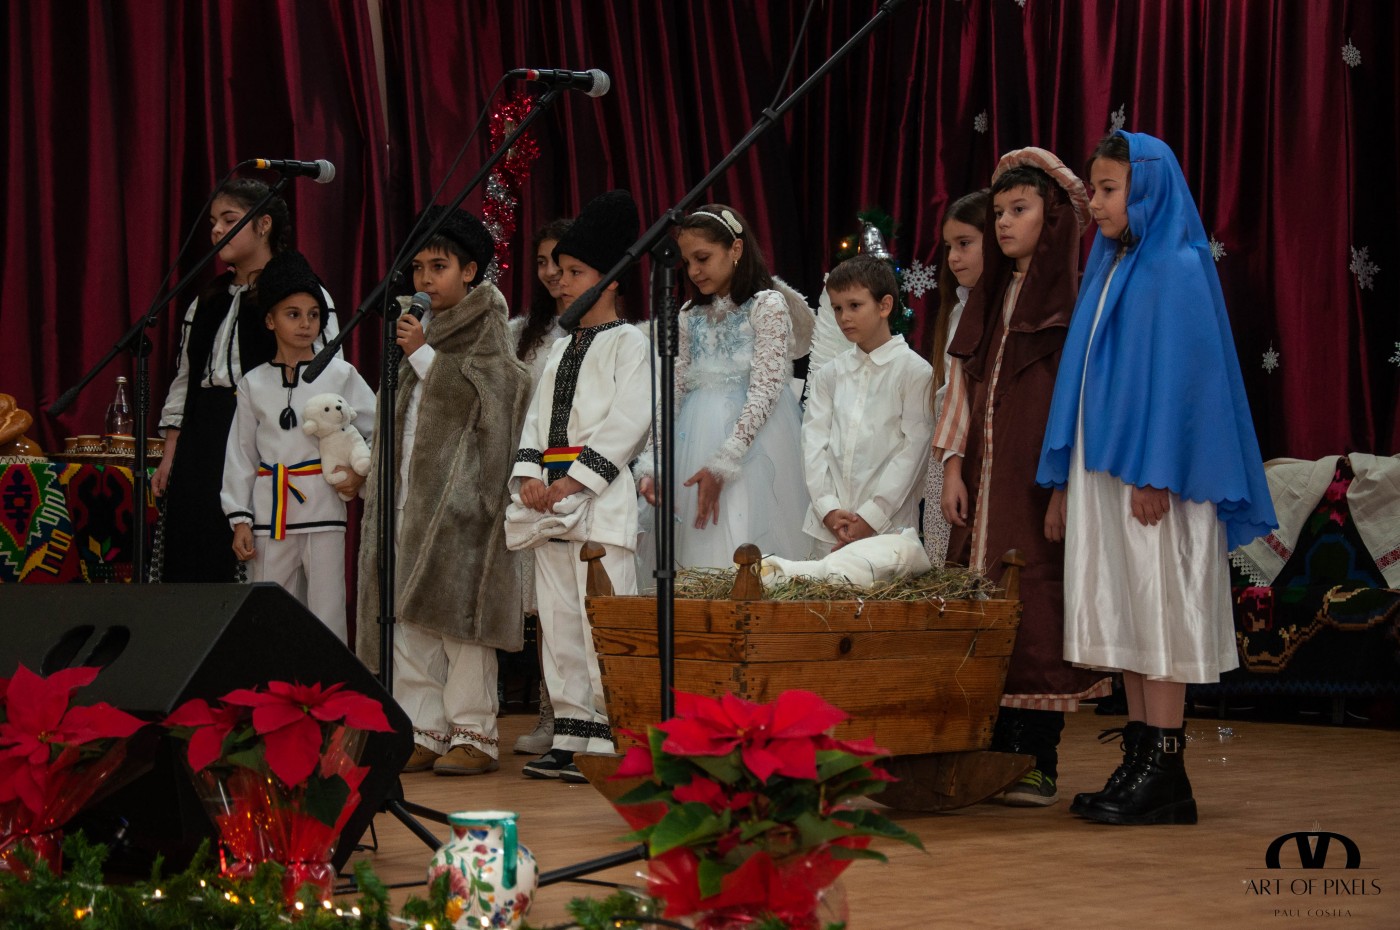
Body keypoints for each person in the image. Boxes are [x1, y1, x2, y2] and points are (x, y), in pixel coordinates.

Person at [1038, 131, 1276, 825]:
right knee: (1130, 610)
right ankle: (1142, 757)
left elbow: (1184, 385)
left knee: (1159, 608)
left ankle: (1167, 767)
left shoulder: (1176, 267)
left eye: (1110, 190)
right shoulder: (1114, 264)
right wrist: (1063, 479)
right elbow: (1084, 377)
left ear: (1147, 189)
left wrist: (1156, 471)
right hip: (1108, 472)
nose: (1097, 203)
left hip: (1154, 478)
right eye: (1095, 189)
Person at [934, 147, 1109, 806]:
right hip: (983, 483)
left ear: (1052, 217)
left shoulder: (1075, 300)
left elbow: (1084, 403)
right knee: (982, 604)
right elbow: (962, 385)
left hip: (1036, 485)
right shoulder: (989, 296)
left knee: (1034, 605)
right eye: (1000, 211)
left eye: (1020, 209)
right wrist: (953, 466)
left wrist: (1064, 485)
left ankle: (1038, 757)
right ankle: (992, 750)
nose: (1004, 223)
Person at [356, 206, 532, 776]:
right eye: (418, 269)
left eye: (439, 267)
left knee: (460, 623)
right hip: (409, 497)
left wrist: (423, 356)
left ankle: (474, 734)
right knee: (409, 619)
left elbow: (500, 395)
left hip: (461, 505)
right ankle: (424, 728)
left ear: (470, 271)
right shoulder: (418, 327)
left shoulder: (486, 325)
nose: (425, 279)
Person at [510, 190, 652, 783]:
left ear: (611, 280)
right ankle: (572, 735)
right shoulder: (562, 346)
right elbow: (535, 419)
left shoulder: (631, 342)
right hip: (551, 505)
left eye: (575, 272)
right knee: (560, 623)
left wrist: (574, 479)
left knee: (604, 621)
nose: (561, 282)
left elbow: (629, 422)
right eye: (558, 271)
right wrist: (528, 477)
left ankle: (611, 734)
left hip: (600, 502)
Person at [155, 178, 339, 582]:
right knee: (195, 552)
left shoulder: (300, 294)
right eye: (213, 223)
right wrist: (171, 454)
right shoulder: (208, 299)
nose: (217, 230)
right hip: (202, 439)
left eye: (229, 219)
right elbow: (186, 379)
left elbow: (328, 378)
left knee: (252, 556)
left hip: (265, 437)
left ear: (263, 224)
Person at [636, 204, 814, 569]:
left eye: (702, 258)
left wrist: (724, 462)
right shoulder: (689, 314)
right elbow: (672, 391)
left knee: (747, 536)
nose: (694, 271)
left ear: (735, 249)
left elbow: (766, 388)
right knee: (699, 550)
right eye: (687, 262)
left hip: (753, 444)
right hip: (692, 443)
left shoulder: (767, 304)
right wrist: (654, 461)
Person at [220, 251, 371, 642]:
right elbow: (241, 454)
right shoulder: (253, 383)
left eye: (313, 315)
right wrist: (240, 518)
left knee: (327, 608)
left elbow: (378, 431)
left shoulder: (340, 374)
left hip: (324, 509)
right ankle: (269, 675)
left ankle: (330, 677)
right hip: (270, 514)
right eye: (293, 314)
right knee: (269, 607)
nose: (306, 324)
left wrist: (359, 475)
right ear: (270, 320)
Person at [801, 254, 932, 553]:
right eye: (837, 308)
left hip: (888, 530)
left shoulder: (914, 372)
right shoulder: (830, 375)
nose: (844, 317)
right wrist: (828, 508)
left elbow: (913, 453)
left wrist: (871, 517)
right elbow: (813, 444)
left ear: (884, 306)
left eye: (854, 305)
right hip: (830, 529)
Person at [507, 217, 573, 757]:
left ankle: (588, 716)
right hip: (532, 479)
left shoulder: (607, 332)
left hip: (583, 479)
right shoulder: (521, 333)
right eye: (543, 262)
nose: (551, 272)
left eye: (562, 261)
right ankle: (552, 713)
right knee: (545, 609)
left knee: (581, 604)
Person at [922, 190, 988, 566]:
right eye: (949, 247)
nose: (953, 258)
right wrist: (950, 467)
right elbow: (951, 392)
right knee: (944, 557)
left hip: (975, 451)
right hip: (950, 453)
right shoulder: (959, 310)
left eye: (965, 243)